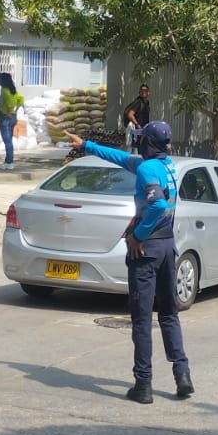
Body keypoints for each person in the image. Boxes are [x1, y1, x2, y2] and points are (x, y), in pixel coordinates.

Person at [63, 121, 191, 404]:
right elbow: (120, 157)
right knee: (169, 314)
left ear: (149, 143)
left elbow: (156, 205)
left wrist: (137, 235)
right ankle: (182, 375)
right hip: (168, 246)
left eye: (142, 138)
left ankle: (143, 385)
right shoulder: (166, 166)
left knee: (142, 320)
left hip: (146, 250)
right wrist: (85, 146)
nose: (139, 142)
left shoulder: (147, 169)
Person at [0, 72, 24, 170]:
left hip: (6, 117)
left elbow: (9, 102)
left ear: (3, 81)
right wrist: (15, 110)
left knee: (7, 141)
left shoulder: (4, 90)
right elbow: (21, 99)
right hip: (12, 118)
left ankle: (10, 162)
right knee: (9, 140)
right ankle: (8, 161)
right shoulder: (13, 91)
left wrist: (9, 111)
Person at [122, 85, 151, 151]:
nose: (143, 92)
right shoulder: (138, 102)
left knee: (139, 146)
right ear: (139, 92)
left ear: (148, 92)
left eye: (145, 90)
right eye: (141, 90)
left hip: (141, 129)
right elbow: (130, 115)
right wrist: (137, 125)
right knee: (132, 146)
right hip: (135, 128)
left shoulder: (146, 103)